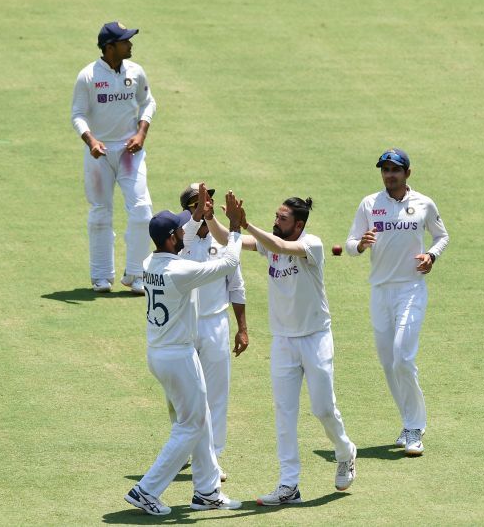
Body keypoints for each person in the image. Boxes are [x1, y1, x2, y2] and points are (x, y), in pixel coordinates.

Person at [206, 196, 357, 506]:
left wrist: (246, 223)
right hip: (283, 342)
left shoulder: (311, 244)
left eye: (282, 219)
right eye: (276, 216)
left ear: (298, 225)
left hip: (315, 338)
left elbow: (281, 247)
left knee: (323, 409)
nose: (276, 222)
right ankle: (289, 484)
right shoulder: (271, 241)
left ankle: (344, 451)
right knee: (284, 414)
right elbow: (227, 239)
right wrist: (210, 218)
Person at [124, 185, 244, 516]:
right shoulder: (181, 271)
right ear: (172, 239)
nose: (184, 231)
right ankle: (146, 490)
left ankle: (206, 491)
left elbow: (184, 237)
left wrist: (198, 216)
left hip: (160, 352)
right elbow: (229, 261)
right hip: (178, 356)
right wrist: (233, 226)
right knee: (190, 425)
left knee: (199, 417)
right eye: (179, 230)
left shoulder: (150, 262)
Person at [345, 148, 450, 456]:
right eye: (385, 169)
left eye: (395, 169)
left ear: (407, 173)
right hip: (380, 290)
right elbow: (350, 245)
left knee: (403, 356)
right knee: (389, 362)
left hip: (411, 288)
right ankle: (407, 423)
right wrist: (361, 245)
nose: (389, 175)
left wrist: (431, 256)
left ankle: (416, 428)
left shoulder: (423, 204)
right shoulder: (370, 203)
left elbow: (442, 236)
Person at [71, 21, 156, 295]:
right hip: (100, 154)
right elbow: (78, 115)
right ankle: (101, 276)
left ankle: (137, 274)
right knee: (100, 213)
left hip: (131, 151)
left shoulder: (136, 71)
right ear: (110, 47)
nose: (130, 44)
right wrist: (91, 140)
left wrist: (141, 132)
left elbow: (148, 102)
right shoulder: (88, 76)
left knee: (142, 210)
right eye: (124, 41)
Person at [170, 183, 248, 481]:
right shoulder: (180, 241)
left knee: (216, 393)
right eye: (197, 203)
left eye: (208, 200)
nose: (205, 205)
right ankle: (182, 450)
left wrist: (242, 328)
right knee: (182, 395)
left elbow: (236, 286)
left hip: (216, 323)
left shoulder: (223, 242)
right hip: (184, 324)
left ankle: (213, 456)